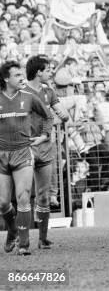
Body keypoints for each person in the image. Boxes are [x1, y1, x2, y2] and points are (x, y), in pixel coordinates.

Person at [0, 60, 52, 255]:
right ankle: (12, 231)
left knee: (23, 197)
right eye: (17, 75)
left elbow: (48, 116)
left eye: (22, 75)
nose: (22, 78)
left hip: (23, 152)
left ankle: (24, 245)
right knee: (3, 203)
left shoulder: (29, 98)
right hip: (1, 156)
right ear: (6, 79)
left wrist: (44, 135)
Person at [23, 55, 69, 249]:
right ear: (39, 72)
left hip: (45, 147)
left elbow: (64, 116)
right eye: (48, 69)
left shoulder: (49, 92)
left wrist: (47, 127)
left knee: (43, 196)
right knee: (23, 195)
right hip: (24, 147)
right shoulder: (20, 92)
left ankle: (42, 239)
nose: (51, 72)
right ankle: (21, 239)